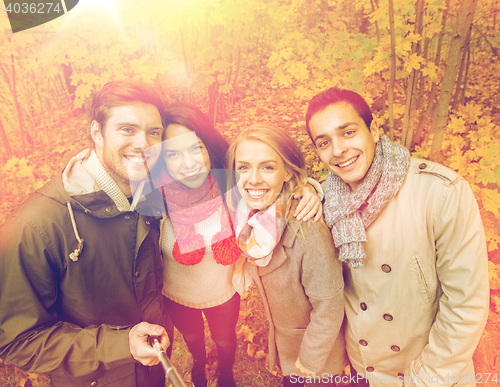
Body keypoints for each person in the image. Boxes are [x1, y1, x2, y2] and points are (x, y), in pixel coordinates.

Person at [305, 87, 489, 387]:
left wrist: (426, 379)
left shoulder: (440, 193)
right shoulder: (325, 201)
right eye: (324, 142)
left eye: (348, 132)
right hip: (362, 370)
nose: (337, 150)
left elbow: (465, 305)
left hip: (428, 374)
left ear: (374, 130)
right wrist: (307, 188)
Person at [0, 80, 172, 387]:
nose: (144, 144)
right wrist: (122, 345)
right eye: (127, 129)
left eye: (153, 133)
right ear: (97, 133)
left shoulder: (147, 196)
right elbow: (17, 340)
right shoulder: (35, 226)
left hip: (152, 370)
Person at [153, 104, 322, 387]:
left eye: (196, 148)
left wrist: (309, 189)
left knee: (224, 340)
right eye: (173, 153)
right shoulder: (154, 200)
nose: (189, 162)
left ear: (208, 147)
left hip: (224, 293)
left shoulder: (233, 185)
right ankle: (198, 365)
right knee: (193, 339)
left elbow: (274, 185)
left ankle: (226, 374)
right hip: (177, 296)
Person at [226, 123, 347, 387]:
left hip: (318, 361)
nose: (254, 179)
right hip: (288, 350)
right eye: (243, 167)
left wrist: (310, 362)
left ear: (287, 172)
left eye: (268, 167)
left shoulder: (307, 229)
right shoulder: (249, 218)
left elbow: (330, 306)